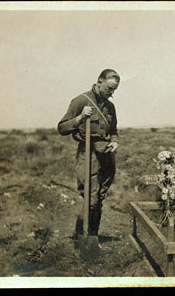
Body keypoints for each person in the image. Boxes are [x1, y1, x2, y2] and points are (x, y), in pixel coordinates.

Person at [57, 69, 120, 239]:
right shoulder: (81, 101)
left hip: (106, 156)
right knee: (90, 199)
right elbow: (62, 128)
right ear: (99, 82)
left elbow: (113, 130)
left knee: (99, 197)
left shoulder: (110, 106)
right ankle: (80, 236)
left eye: (114, 90)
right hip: (89, 154)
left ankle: (93, 236)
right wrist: (79, 119)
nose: (111, 93)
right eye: (109, 88)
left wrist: (115, 141)